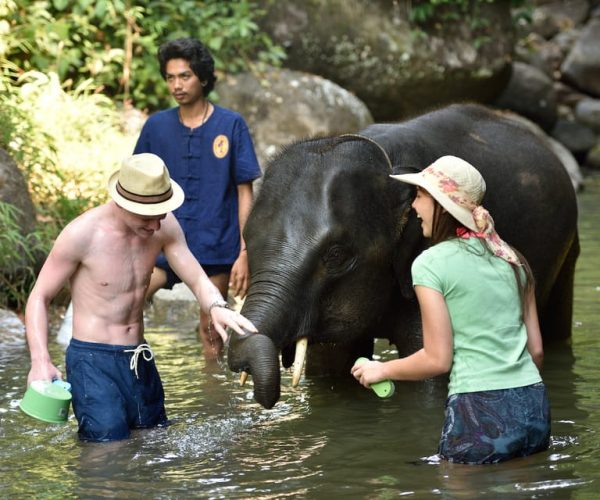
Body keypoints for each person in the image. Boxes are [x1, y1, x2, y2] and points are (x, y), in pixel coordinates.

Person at [25, 153, 258, 442]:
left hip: (138, 356)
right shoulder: (81, 234)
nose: (156, 225)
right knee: (106, 448)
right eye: (148, 216)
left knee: (153, 441)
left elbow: (197, 278)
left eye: (161, 213)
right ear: (123, 203)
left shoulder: (163, 225)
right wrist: (40, 360)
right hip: (92, 360)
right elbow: (39, 296)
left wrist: (216, 306)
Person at [351, 155, 550, 465]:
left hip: (479, 408)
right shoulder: (513, 259)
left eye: (419, 196)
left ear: (443, 204)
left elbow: (437, 359)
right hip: (533, 405)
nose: (413, 207)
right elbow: (535, 352)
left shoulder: (430, 264)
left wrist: (382, 369)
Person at [133, 37, 261, 360]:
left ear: (203, 78)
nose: (176, 85)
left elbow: (245, 192)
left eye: (185, 76)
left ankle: (212, 402)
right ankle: (129, 376)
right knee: (126, 302)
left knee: (213, 336)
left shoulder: (231, 125)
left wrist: (244, 253)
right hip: (161, 244)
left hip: (215, 249)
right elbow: (135, 190)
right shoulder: (156, 127)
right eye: (170, 77)